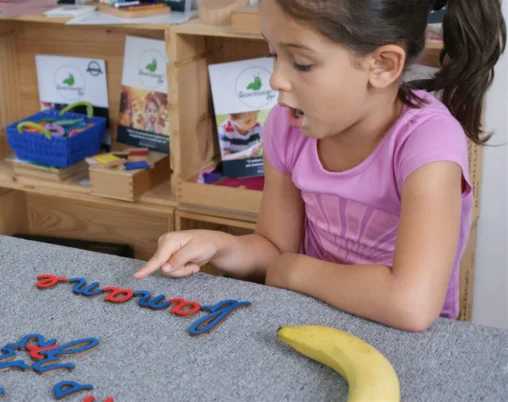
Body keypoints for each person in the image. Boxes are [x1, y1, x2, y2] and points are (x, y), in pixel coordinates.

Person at [134, 0, 506, 332]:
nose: (276, 79)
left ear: (382, 65)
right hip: (314, 313)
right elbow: (273, 248)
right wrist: (217, 245)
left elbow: (411, 305)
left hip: (407, 340)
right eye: (273, 55)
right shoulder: (287, 126)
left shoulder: (429, 143)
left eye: (301, 63)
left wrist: (293, 271)